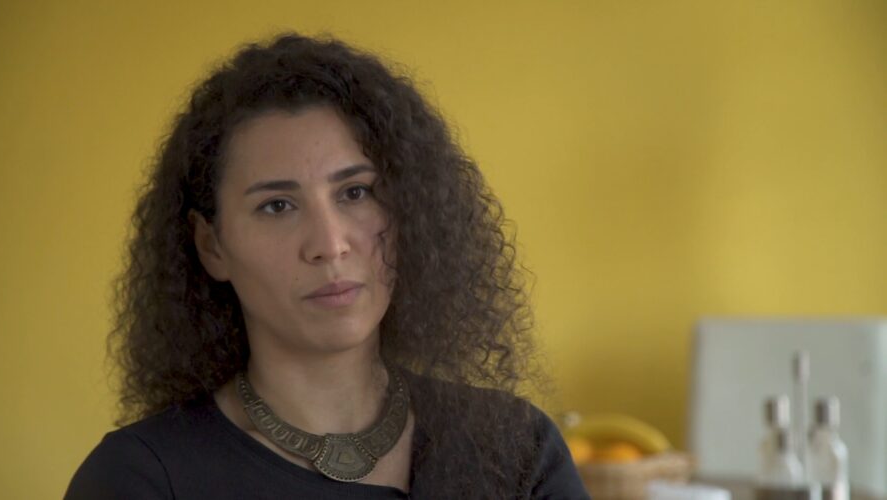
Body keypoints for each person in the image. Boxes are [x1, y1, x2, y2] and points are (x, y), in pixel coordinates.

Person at [65, 33, 589, 500]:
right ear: (212, 246)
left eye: (355, 192)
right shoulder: (139, 479)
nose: (330, 244)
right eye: (277, 206)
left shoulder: (518, 451)